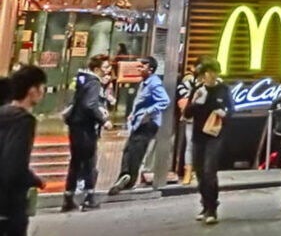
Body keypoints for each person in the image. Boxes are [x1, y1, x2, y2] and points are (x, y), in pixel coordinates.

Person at [108, 56, 170, 196]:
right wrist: (133, 114)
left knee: (136, 151)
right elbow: (139, 102)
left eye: (143, 66)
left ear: (151, 69)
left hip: (148, 123)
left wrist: (148, 112)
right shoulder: (144, 82)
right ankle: (126, 176)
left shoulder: (154, 83)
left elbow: (164, 101)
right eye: (139, 65)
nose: (139, 68)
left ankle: (128, 179)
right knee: (129, 149)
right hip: (139, 122)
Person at [185, 58, 233, 225]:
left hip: (215, 135)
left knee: (209, 170)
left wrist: (224, 114)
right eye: (207, 72)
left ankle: (212, 209)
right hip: (198, 135)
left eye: (214, 72)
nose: (210, 75)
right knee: (199, 172)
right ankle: (205, 205)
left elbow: (232, 110)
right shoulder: (198, 90)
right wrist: (196, 102)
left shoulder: (223, 89)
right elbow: (187, 113)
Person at [62, 54, 112, 212]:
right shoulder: (94, 82)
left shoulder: (82, 79)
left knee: (75, 162)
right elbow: (90, 104)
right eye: (105, 67)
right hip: (86, 128)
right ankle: (89, 198)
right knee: (89, 162)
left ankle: (68, 199)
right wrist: (104, 120)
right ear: (96, 69)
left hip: (75, 126)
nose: (108, 70)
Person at [0, 66, 47, 236]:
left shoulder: (3, 113)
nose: (43, 92)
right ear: (32, 91)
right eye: (42, 87)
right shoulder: (23, 121)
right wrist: (34, 180)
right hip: (10, 204)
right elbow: (14, 164)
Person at [175, 59, 200, 185]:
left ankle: (195, 172)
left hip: (205, 120)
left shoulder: (215, 84)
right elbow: (183, 95)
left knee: (198, 146)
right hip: (193, 118)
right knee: (190, 145)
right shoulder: (190, 81)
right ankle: (188, 171)